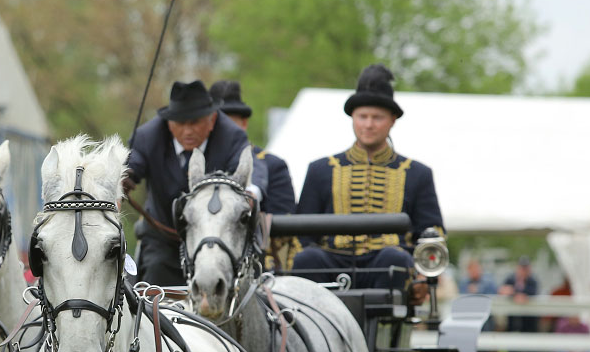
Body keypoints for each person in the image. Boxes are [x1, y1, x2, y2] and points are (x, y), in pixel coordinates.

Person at [291, 64, 444, 298]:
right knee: (307, 259)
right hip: (332, 262)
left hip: (386, 263)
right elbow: (302, 233)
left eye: (377, 117)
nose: (368, 125)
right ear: (353, 117)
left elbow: (431, 232)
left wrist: (424, 276)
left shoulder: (417, 173)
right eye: (363, 116)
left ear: (392, 120)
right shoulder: (321, 169)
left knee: (396, 258)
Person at [124, 80, 250, 285]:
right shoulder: (147, 137)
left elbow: (247, 170)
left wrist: (252, 192)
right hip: (163, 240)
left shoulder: (232, 137)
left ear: (212, 120)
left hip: (217, 238)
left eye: (194, 122)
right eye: (180, 123)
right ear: (168, 123)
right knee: (154, 274)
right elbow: (134, 161)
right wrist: (124, 176)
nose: (187, 131)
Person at [208, 80, 295, 215]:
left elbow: (283, 224)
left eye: (227, 122)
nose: (221, 129)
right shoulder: (196, 161)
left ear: (244, 123)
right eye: (215, 123)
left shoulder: (274, 166)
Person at [500, 256, 539, 352]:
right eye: (522, 268)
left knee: (531, 349)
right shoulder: (510, 278)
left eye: (526, 268)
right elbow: (502, 290)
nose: (524, 270)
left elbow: (532, 292)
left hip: (529, 321)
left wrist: (515, 292)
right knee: (512, 349)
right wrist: (516, 293)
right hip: (514, 320)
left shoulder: (532, 280)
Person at [459, 259, 498, 352]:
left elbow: (492, 297)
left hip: (486, 320)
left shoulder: (488, 282)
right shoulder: (464, 282)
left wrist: (477, 291)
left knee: (486, 348)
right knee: (470, 348)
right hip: (469, 319)